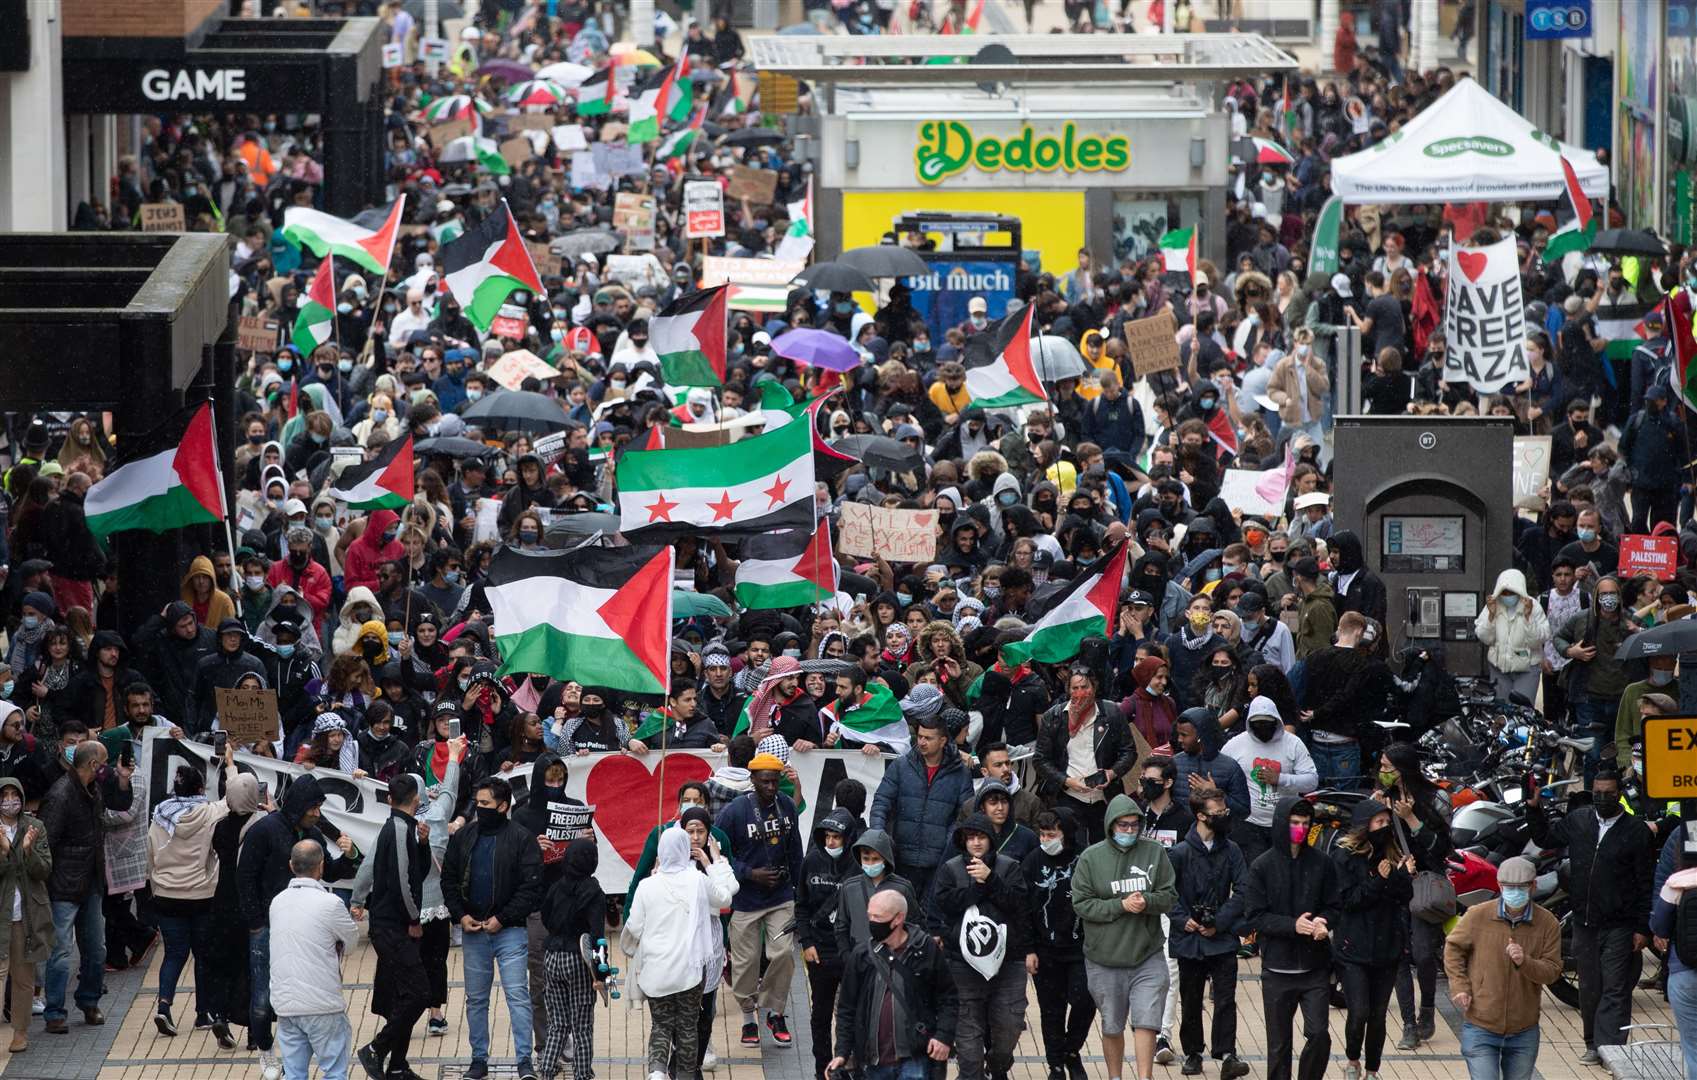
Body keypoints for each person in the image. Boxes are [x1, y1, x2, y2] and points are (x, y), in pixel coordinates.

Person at [1526, 769, 1655, 1062]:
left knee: (1616, 986)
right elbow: (1546, 837)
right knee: (1590, 987)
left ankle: (1611, 1048)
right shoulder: (1579, 820)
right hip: (1584, 922)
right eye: (1597, 793)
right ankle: (1592, 1043)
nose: (1602, 798)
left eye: (1609, 793)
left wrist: (1642, 928)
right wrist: (1534, 809)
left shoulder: (1636, 832)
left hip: (1620, 925)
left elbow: (1645, 883)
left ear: (1620, 794)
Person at [239, 773, 362, 1079]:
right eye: (315, 808)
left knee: (290, 989)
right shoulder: (264, 831)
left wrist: (351, 855)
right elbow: (244, 879)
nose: (318, 814)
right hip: (268, 926)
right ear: (300, 806)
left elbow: (329, 872)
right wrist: (256, 923)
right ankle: (265, 1050)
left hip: (304, 927)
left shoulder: (314, 833)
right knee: (263, 994)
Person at [440, 776, 544, 1080]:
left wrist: (503, 917)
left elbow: (531, 888)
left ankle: (525, 1061)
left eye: (485, 804)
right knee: (476, 999)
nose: (479, 809)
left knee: (517, 996)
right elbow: (448, 879)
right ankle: (478, 1060)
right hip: (474, 932)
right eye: (478, 803)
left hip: (509, 931)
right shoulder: (464, 837)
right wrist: (461, 916)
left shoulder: (522, 839)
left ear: (502, 806)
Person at [1071, 794, 1177, 1080]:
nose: (1129, 831)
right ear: (1110, 826)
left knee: (1146, 1021)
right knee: (1112, 1026)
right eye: (1123, 826)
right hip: (1104, 958)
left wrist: (1148, 902)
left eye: (1134, 825)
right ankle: (1115, 1076)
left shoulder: (1154, 852)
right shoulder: (1091, 858)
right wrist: (1120, 905)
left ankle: (1145, 1077)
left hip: (1147, 955)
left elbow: (1169, 896)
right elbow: (1081, 904)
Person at [624, 826, 737, 1080]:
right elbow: (724, 898)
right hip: (690, 970)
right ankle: (685, 1075)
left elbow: (633, 927)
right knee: (688, 1026)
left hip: (656, 971)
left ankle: (656, 1072)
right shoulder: (697, 880)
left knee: (661, 1025)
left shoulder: (647, 886)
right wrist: (715, 862)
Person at [1241, 796, 1339, 1080]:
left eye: (1306, 823)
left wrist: (1324, 921)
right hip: (1277, 969)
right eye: (1295, 822)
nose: (1300, 828)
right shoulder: (1262, 866)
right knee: (1279, 1046)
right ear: (1282, 823)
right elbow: (1255, 916)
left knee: (1319, 1034)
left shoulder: (1322, 863)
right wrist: (1291, 926)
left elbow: (1335, 905)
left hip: (1314, 967)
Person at [39, 737, 132, 1032]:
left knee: (96, 948)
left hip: (91, 882)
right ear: (93, 764)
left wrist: (123, 780)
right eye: (104, 764)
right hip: (64, 886)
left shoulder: (94, 788)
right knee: (61, 952)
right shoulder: (61, 795)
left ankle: (89, 1001)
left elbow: (120, 803)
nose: (106, 769)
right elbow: (47, 843)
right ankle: (55, 1011)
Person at [932, 812, 1031, 1080]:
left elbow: (1019, 906)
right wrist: (976, 889)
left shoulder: (1009, 867)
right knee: (968, 1041)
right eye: (971, 838)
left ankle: (998, 1067)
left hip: (1007, 963)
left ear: (991, 839)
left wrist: (991, 879)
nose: (976, 843)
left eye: (981, 837)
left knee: (1008, 1026)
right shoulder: (951, 868)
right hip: (962, 964)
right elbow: (944, 905)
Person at [1443, 856, 1562, 1080]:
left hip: (1523, 1029)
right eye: (1509, 887)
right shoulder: (1478, 915)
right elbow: (1453, 948)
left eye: (1521, 887)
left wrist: (1524, 961)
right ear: (1499, 886)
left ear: (1533, 886)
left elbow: (1552, 971)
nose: (1514, 892)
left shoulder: (1547, 923)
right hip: (1481, 1025)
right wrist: (1460, 986)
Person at [714, 751, 804, 1048]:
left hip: (781, 898)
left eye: (775, 782)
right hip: (746, 900)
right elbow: (720, 855)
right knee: (745, 963)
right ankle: (749, 1017)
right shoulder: (734, 811)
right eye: (765, 781)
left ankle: (775, 1012)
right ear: (752, 780)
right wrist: (750, 874)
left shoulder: (787, 806)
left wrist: (799, 894)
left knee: (781, 954)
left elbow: (796, 852)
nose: (771, 787)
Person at [149, 746, 239, 1036]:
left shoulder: (160, 815)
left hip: (166, 895)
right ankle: (203, 1013)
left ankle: (164, 1006)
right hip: (202, 896)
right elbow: (234, 797)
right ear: (201, 788)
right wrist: (230, 764)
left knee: (174, 954)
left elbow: (150, 852)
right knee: (203, 954)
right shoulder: (211, 812)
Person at [827, 890, 957, 1080]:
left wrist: (944, 1037)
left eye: (877, 917)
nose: (871, 921)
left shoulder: (926, 950)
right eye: (869, 915)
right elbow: (847, 1008)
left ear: (898, 919)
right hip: (873, 1064)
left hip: (916, 1059)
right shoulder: (862, 955)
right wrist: (842, 1053)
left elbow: (948, 998)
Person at [1165, 791, 1249, 1079]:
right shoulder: (1179, 852)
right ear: (1201, 815)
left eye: (1225, 810)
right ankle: (1192, 1052)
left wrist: (1221, 921)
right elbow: (1167, 892)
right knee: (1190, 999)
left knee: (1225, 997)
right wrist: (1183, 919)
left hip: (1221, 936)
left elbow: (1243, 890)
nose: (1224, 815)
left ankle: (1227, 1053)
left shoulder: (1232, 850)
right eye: (1218, 812)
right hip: (1189, 939)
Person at [354, 774, 430, 1080]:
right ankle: (376, 1049)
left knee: (404, 994)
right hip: (393, 926)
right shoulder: (399, 829)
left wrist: (422, 844)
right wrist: (414, 920)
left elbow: (415, 872)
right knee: (419, 993)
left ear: (389, 800)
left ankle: (397, 1064)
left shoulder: (400, 828)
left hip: (389, 924)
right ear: (417, 801)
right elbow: (402, 882)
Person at [1331, 800, 1413, 1080]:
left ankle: (1372, 1069)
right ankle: (1353, 1060)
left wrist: (1402, 876)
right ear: (1364, 825)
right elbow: (1349, 901)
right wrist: (1378, 879)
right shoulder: (1344, 856)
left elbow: (1403, 898)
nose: (1384, 827)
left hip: (1386, 947)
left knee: (1378, 1015)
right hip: (1353, 949)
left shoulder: (1394, 853)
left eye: (1387, 823)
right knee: (1359, 1012)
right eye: (1378, 822)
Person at [269, 840, 360, 1080]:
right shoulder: (331, 903)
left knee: (294, 1074)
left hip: (286, 1003)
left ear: (291, 865)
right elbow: (351, 943)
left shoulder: (277, 902)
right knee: (334, 1072)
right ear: (321, 867)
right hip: (322, 1003)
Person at [869, 714, 974, 906]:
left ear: (943, 741)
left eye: (928, 738)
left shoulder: (961, 773)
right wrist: (878, 834)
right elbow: (881, 801)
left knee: (930, 920)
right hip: (901, 858)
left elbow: (964, 815)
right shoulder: (901, 766)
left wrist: (948, 842)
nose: (922, 742)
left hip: (938, 862)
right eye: (920, 737)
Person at [1023, 808, 1094, 1080]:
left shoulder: (1084, 859)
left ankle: (1071, 1051)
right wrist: (1028, 948)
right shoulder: (1032, 861)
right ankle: (1055, 1064)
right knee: (1051, 1010)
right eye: (1042, 834)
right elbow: (1024, 908)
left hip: (1081, 948)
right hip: (1044, 949)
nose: (1046, 840)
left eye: (1051, 834)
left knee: (1085, 1001)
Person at [1218, 697, 1317, 866]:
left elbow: (1312, 781)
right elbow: (1221, 775)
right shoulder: (1236, 744)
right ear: (1250, 724)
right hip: (1250, 824)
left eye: (1267, 724)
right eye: (1258, 725)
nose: (1262, 729)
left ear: (1276, 722)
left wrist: (1280, 779)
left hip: (1285, 823)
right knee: (1255, 873)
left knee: (1286, 871)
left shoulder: (1293, 743)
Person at [538, 839, 607, 1080]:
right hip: (578, 961)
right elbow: (597, 937)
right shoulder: (594, 892)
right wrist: (601, 974)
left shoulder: (556, 886)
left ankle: (545, 1070)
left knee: (557, 1023)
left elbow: (545, 916)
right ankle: (582, 1074)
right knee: (582, 1026)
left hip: (551, 957)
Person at [798, 808, 856, 1080]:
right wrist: (807, 943)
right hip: (819, 952)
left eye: (837, 837)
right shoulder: (811, 861)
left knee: (851, 1013)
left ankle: (848, 1065)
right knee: (819, 1016)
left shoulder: (858, 865)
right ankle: (821, 1069)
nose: (831, 842)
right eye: (827, 837)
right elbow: (801, 907)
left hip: (850, 953)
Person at [0, 774, 49, 1053]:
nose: (10, 801)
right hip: (1, 914)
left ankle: (20, 1032)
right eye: (4, 796)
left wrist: (28, 850)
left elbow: (44, 870)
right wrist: (4, 853)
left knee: (23, 977)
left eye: (13, 794)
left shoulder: (35, 827)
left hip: (27, 915)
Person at [1473, 569, 1549, 704]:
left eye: (1512, 592)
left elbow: (1539, 639)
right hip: (1499, 669)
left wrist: (1527, 618)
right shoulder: (1492, 605)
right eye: (1504, 592)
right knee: (1501, 712)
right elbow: (1485, 638)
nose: (1508, 596)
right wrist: (1490, 616)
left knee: (1522, 711)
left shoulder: (1533, 606)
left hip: (1527, 668)